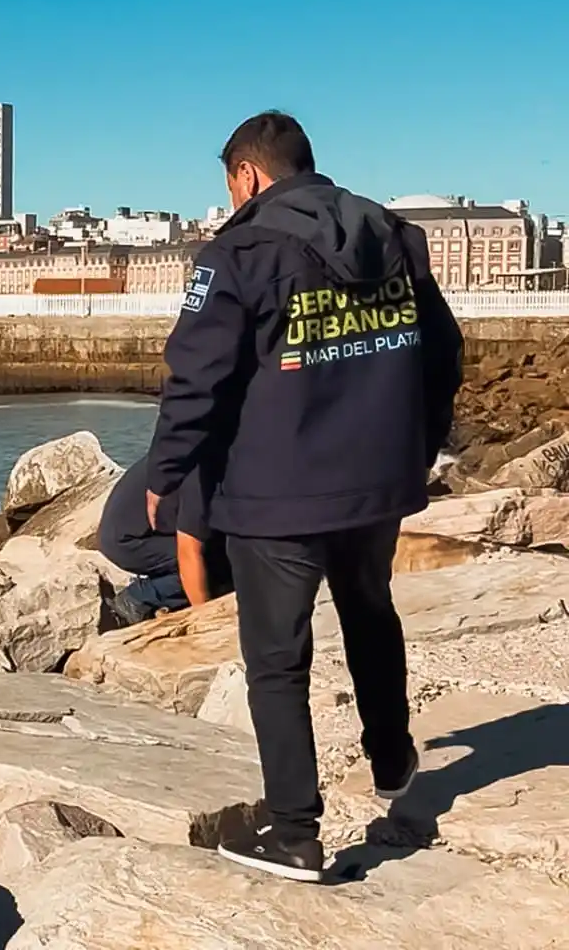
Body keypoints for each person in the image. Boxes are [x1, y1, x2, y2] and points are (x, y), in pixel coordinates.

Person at [143, 111, 463, 883]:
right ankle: (391, 757)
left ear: (247, 174)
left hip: (276, 493)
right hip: (375, 482)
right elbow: (443, 353)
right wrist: (414, 452)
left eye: (231, 186)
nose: (231, 201)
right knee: (370, 610)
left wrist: (166, 472)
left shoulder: (240, 252)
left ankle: (293, 833)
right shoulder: (391, 233)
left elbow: (197, 379)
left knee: (277, 661)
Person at [97, 458, 232, 624]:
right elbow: (189, 553)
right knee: (214, 565)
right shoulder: (204, 472)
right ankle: (140, 597)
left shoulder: (200, 449)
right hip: (129, 540)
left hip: (141, 527)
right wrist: (207, 619)